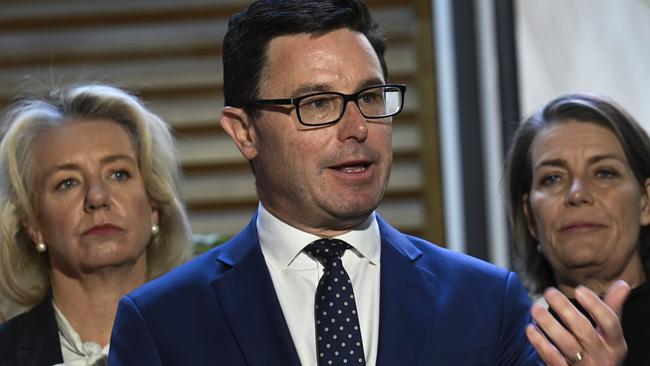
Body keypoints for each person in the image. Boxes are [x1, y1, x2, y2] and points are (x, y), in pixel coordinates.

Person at [109, 1, 627, 365]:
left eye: (372, 98)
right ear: (245, 132)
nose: (358, 128)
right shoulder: (161, 323)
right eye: (317, 104)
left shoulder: (488, 303)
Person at [0, 83, 193, 365]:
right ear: (33, 224)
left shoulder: (222, 338)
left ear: (153, 204)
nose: (97, 197)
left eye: (118, 174)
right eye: (67, 182)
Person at [505, 93, 650, 365]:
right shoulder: (504, 348)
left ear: (646, 203)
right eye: (552, 178)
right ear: (531, 218)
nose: (577, 193)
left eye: (604, 173)